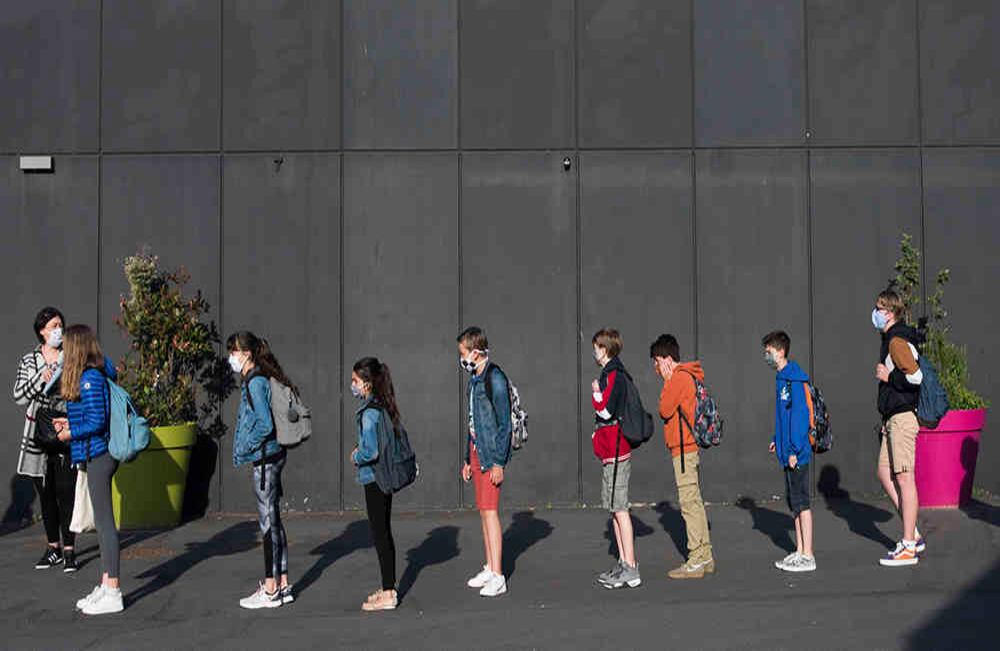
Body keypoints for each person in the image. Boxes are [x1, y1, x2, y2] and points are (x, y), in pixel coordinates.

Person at [56, 325, 122, 615]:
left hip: (99, 454)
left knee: (105, 524)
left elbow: (97, 421)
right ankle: (106, 583)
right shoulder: (92, 375)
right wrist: (70, 425)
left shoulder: (90, 378)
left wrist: (71, 433)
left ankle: (114, 591)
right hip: (94, 453)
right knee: (103, 522)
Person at [228, 331, 295, 608]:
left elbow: (265, 425)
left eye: (233, 351)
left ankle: (270, 589)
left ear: (246, 353)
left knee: (267, 523)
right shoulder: (261, 377)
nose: (230, 357)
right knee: (274, 520)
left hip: (265, 460)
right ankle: (283, 584)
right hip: (273, 456)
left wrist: (247, 444)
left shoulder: (254, 382)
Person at [12, 307, 79, 573]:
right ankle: (53, 547)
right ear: (42, 330)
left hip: (64, 429)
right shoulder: (30, 360)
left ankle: (70, 550)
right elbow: (18, 395)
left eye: (60, 325)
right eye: (53, 325)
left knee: (67, 492)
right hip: (38, 433)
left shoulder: (70, 357)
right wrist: (42, 378)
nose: (58, 330)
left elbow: (78, 390)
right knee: (46, 493)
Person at [650, 334, 715, 579]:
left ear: (666, 359)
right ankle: (705, 556)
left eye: (657, 362)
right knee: (695, 502)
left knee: (689, 504)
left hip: (684, 449)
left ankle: (696, 559)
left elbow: (664, 409)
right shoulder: (690, 375)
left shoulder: (677, 379)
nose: (656, 369)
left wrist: (667, 379)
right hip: (689, 448)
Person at [873, 290, 926, 567]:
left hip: (904, 417)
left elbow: (916, 377)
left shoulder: (897, 340)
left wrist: (889, 376)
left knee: (905, 478)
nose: (876, 313)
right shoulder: (890, 339)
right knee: (884, 472)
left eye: (879, 308)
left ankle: (909, 545)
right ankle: (911, 529)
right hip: (893, 417)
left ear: (890, 312)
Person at [458, 327, 511, 598]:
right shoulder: (474, 380)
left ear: (476, 352)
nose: (462, 359)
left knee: (491, 512)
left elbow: (504, 424)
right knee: (483, 511)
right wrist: (468, 459)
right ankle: (490, 567)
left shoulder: (495, 378)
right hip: (477, 452)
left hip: (491, 456)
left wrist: (499, 462)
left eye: (464, 353)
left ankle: (499, 575)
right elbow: (472, 421)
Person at [761, 331, 816, 572]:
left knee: (802, 504)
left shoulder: (794, 379)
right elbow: (783, 417)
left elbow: (799, 418)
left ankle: (809, 555)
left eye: (769, 351)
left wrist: (793, 449)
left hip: (797, 453)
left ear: (780, 351)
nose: (766, 355)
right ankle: (800, 550)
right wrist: (777, 440)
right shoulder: (782, 378)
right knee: (794, 504)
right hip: (787, 451)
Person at [590, 329, 640, 589]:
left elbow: (606, 410)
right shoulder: (610, 374)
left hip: (618, 451)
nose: (594, 352)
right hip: (611, 452)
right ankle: (623, 562)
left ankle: (630, 566)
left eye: (597, 347)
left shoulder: (614, 376)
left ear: (605, 348)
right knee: (613, 508)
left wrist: (596, 393)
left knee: (620, 508)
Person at [351, 357, 402, 612]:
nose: (353, 386)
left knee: (379, 534)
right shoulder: (383, 406)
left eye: (356, 381)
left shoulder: (370, 413)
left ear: (368, 384)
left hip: (374, 478)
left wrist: (355, 455)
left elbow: (369, 451)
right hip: (384, 478)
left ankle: (389, 593)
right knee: (384, 532)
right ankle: (387, 587)